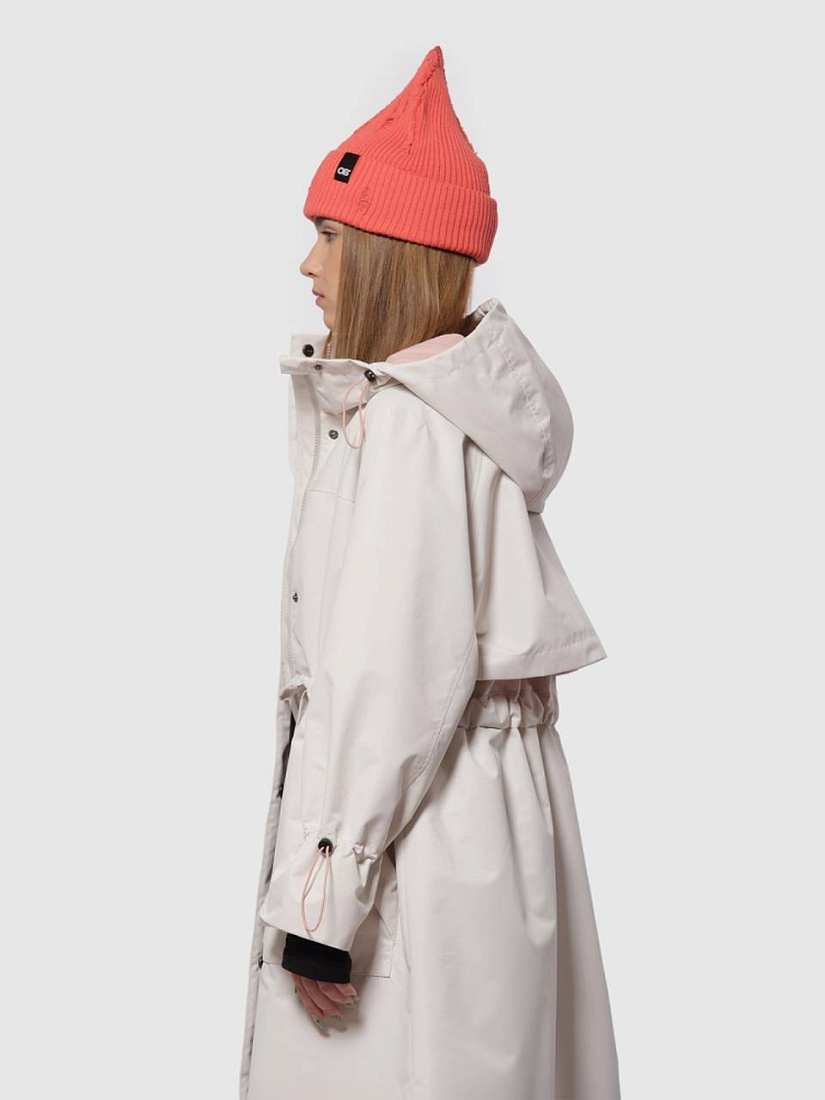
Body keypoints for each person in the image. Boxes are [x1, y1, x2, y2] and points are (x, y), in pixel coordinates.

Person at [240, 44, 621, 1100]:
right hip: (485, 841)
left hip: (418, 851)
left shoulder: (406, 427)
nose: (308, 265)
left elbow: (390, 679)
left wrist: (323, 902)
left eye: (329, 235)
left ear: (388, 252)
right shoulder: (465, 420)